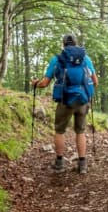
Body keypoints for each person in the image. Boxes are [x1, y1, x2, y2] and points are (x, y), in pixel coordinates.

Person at [32, 34, 98, 173]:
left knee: (59, 131)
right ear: (76, 44)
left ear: (63, 45)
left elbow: (44, 83)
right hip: (83, 100)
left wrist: (35, 84)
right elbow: (95, 81)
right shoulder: (86, 58)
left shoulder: (57, 59)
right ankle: (82, 165)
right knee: (80, 131)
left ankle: (60, 163)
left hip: (65, 100)